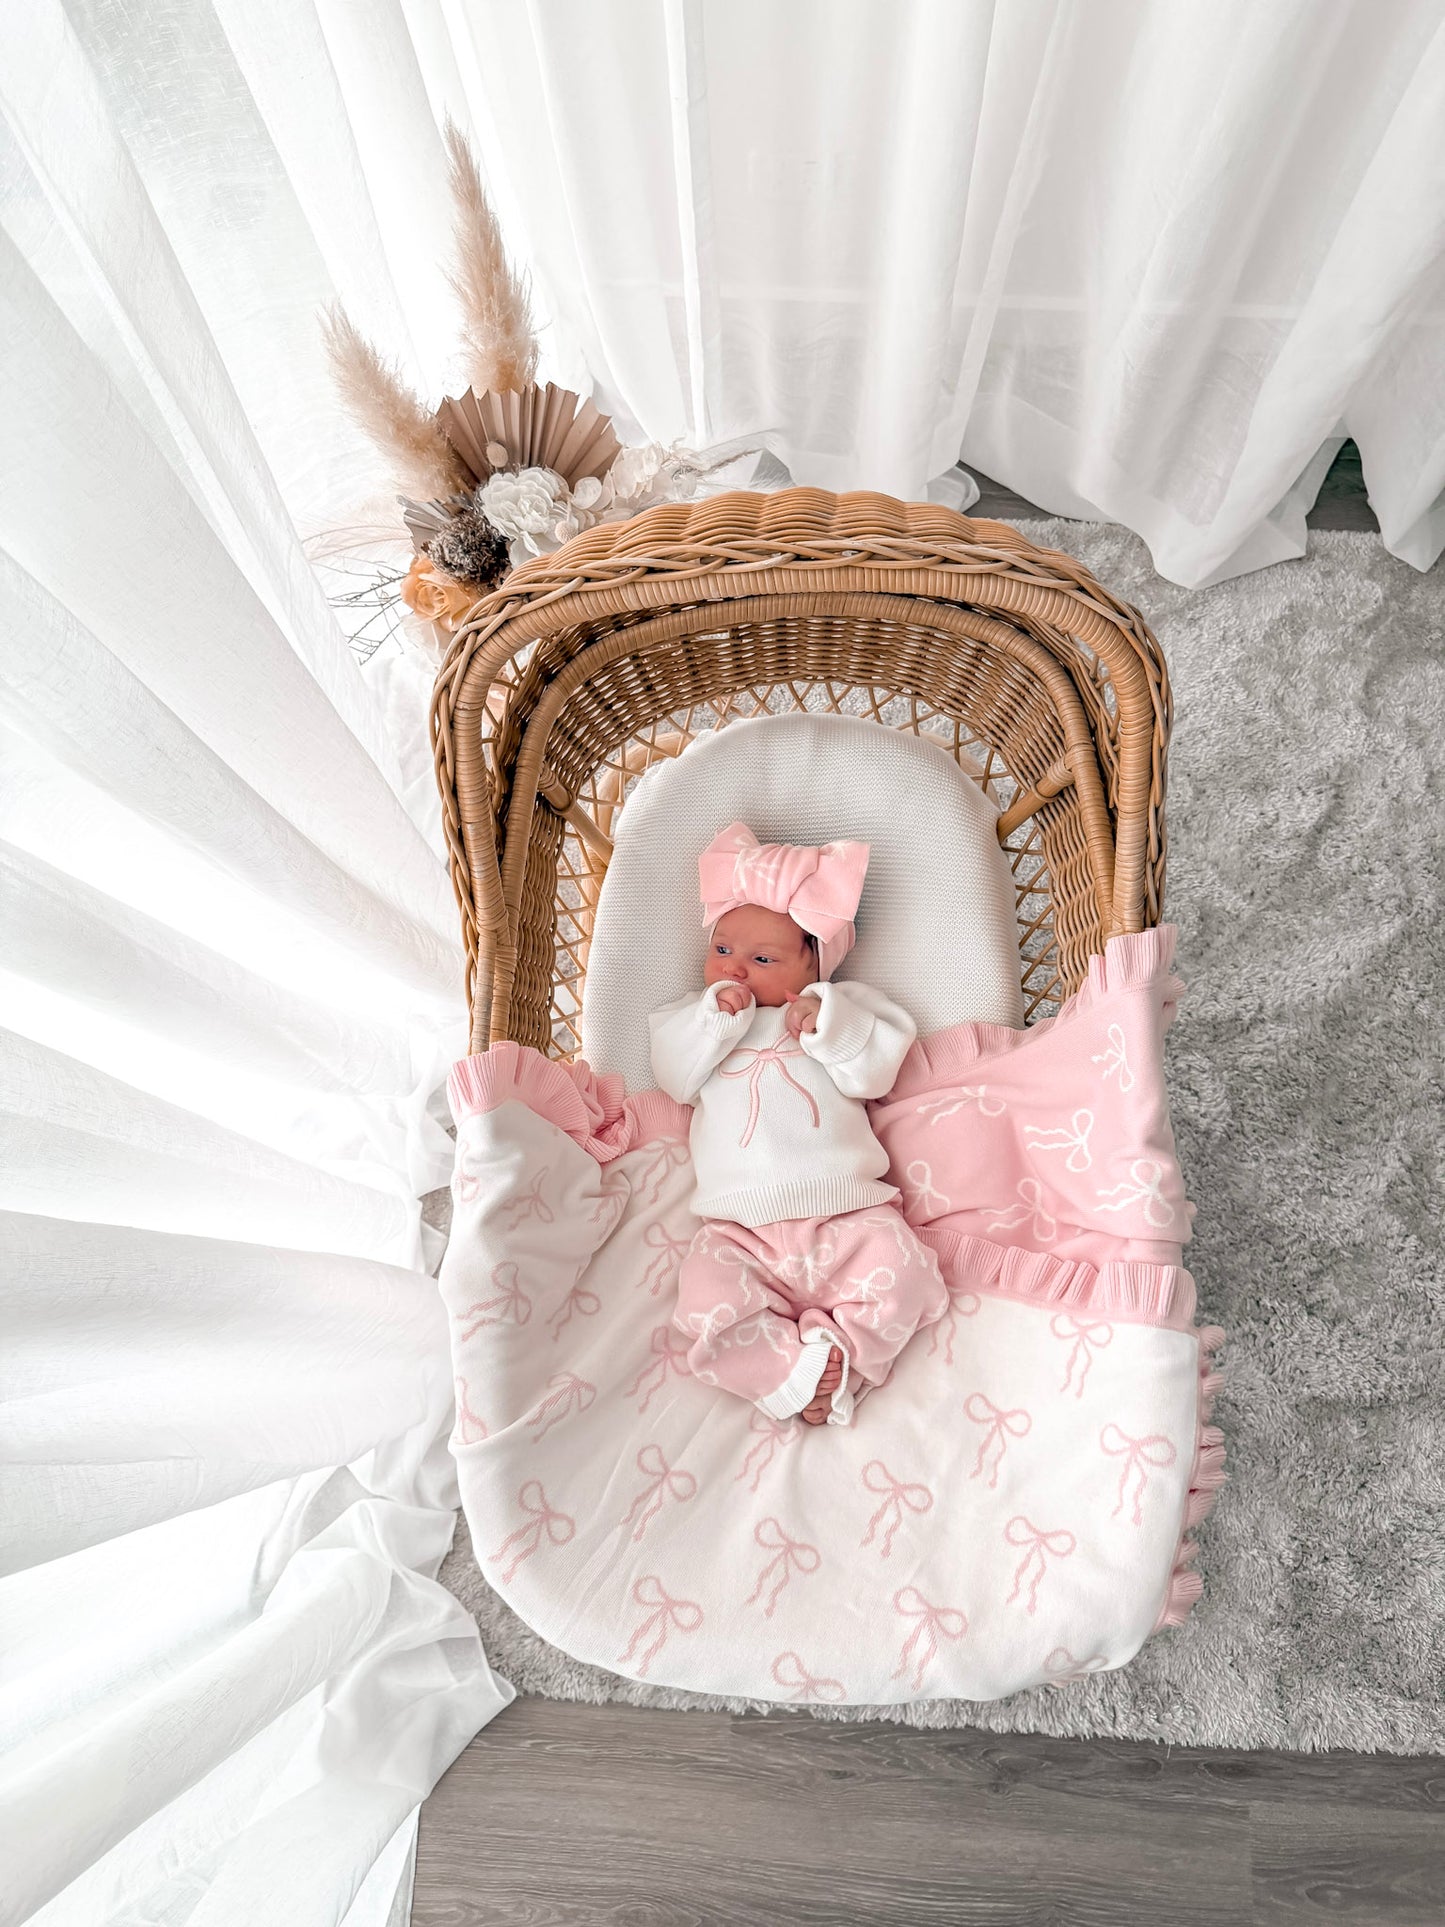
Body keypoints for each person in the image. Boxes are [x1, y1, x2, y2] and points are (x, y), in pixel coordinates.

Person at [649, 822, 947, 1426]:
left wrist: (826, 1023)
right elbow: (674, 1077)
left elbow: (876, 1075)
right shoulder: (696, 1021)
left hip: (846, 1214)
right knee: (703, 1305)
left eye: (762, 959)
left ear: (815, 968)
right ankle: (787, 1370)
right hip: (740, 1234)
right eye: (723, 950)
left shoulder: (841, 1009)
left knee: (908, 1271)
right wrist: (712, 1024)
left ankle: (847, 1358)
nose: (734, 971)